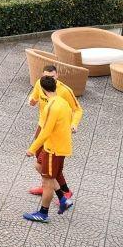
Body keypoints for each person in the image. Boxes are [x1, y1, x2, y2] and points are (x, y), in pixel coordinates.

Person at [25, 75, 75, 222]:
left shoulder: (51, 106)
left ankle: (43, 213)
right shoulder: (63, 102)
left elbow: (45, 131)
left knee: (47, 182)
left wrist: (32, 149)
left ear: (42, 89)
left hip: (53, 149)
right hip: (59, 147)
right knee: (39, 166)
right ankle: (62, 198)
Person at [27, 64, 81, 200]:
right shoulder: (40, 84)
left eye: (52, 77)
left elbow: (78, 109)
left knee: (51, 163)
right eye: (46, 77)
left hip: (55, 131)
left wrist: (74, 124)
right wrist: (32, 101)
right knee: (42, 163)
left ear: (57, 75)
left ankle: (65, 191)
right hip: (42, 126)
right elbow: (34, 97)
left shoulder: (64, 91)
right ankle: (47, 184)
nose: (49, 79)